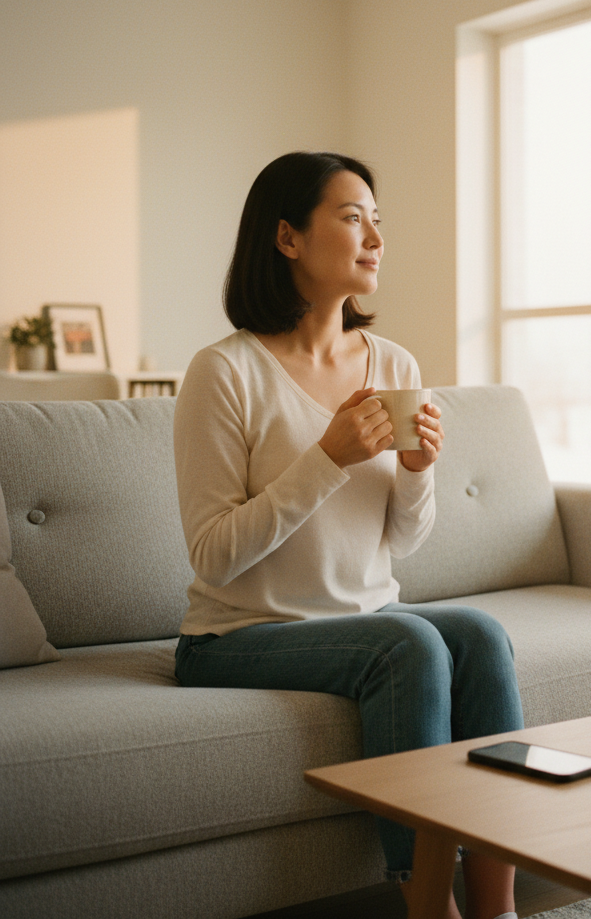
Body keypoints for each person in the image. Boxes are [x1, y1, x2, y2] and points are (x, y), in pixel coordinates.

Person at [172, 151, 523, 919]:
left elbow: (403, 540)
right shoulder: (224, 373)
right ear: (288, 238)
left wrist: (419, 468)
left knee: (481, 636)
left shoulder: (391, 362)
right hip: (235, 636)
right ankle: (431, 904)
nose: (374, 236)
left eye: (377, 220)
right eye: (351, 215)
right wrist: (327, 458)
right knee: (411, 645)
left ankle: (498, 904)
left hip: (362, 617)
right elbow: (213, 552)